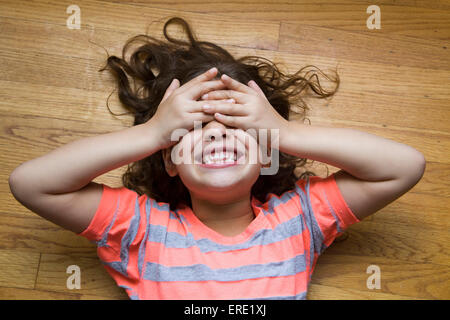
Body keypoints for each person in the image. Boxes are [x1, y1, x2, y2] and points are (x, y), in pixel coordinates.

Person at [8, 17, 425, 300]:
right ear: (169, 160)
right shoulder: (141, 228)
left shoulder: (299, 219)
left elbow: (404, 166)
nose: (217, 135)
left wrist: (284, 131)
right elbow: (31, 183)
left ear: (266, 154)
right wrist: (152, 132)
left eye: (237, 126)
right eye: (193, 129)